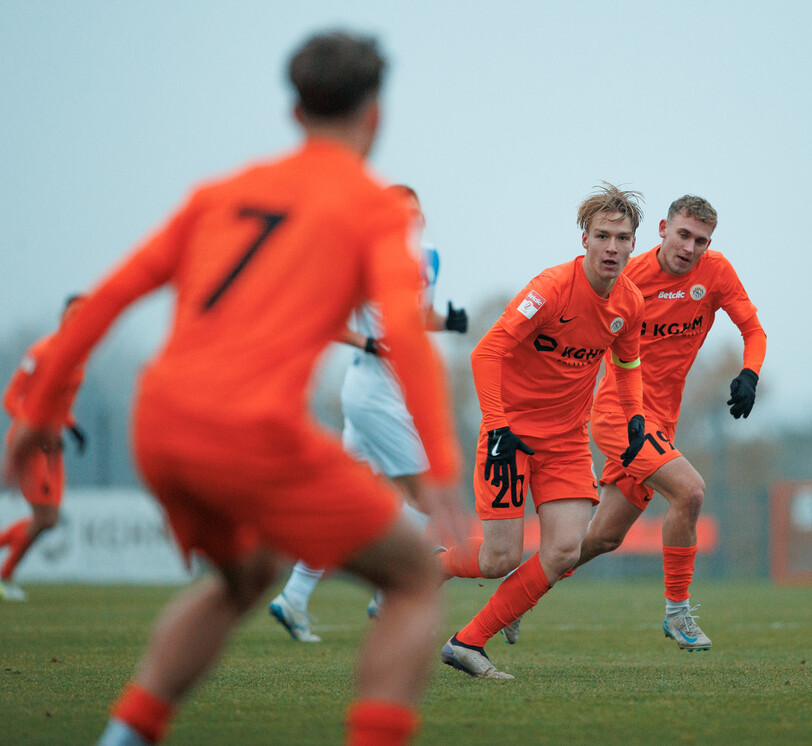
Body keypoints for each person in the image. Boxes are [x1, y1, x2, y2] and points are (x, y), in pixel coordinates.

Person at [3, 30, 467, 746]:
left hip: (158, 423)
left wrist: (35, 416)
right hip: (247, 430)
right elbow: (404, 336)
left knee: (244, 576)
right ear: (375, 114)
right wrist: (437, 464)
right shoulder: (373, 209)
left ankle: (123, 736)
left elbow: (103, 302)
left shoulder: (221, 195)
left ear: (295, 112)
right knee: (411, 578)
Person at [436, 182, 648, 679]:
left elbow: (629, 360)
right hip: (509, 435)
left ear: (635, 243)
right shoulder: (551, 288)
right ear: (585, 239)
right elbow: (485, 353)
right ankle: (434, 567)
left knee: (564, 549)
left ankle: (468, 642)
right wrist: (497, 425)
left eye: (622, 237)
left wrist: (635, 415)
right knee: (498, 558)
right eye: (603, 236)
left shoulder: (630, 303)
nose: (612, 247)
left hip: (568, 440)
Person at [268, 185, 468, 642]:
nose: (409, 221)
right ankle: (388, 593)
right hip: (372, 391)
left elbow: (416, 316)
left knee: (344, 499)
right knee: (425, 492)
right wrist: (370, 344)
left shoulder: (428, 257)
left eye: (415, 213)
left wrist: (446, 322)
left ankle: (294, 597)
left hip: (391, 391)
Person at [577, 195, 766, 651]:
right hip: (619, 416)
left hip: (661, 423)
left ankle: (514, 591)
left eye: (701, 240)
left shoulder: (715, 273)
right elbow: (580, 337)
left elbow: (754, 331)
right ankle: (677, 613)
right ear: (663, 229)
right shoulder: (629, 278)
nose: (690, 247)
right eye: (683, 235)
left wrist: (749, 373)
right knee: (691, 491)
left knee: (601, 538)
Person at [0, 295, 87, 601]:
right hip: (30, 445)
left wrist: (73, 427)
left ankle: (5, 575)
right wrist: (34, 428)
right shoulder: (40, 352)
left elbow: (59, 403)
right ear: (64, 318)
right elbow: (10, 398)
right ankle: (5, 575)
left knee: (47, 519)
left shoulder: (78, 357)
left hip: (54, 447)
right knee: (46, 519)